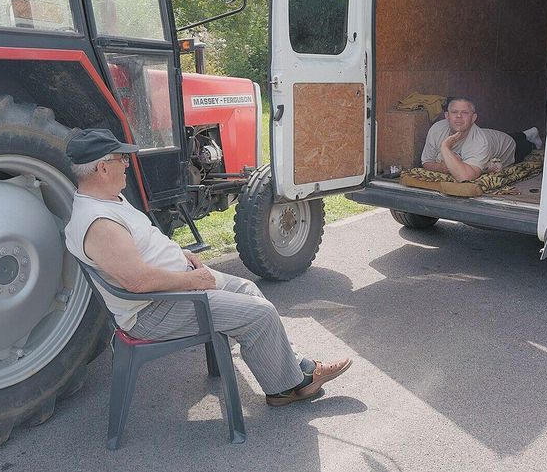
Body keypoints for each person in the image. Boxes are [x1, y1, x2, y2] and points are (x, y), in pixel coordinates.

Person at [63, 129, 352, 406]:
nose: (127, 164)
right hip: (152, 311)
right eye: (121, 159)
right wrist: (193, 281)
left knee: (246, 287)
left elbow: (141, 247)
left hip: (167, 292)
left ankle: (292, 367)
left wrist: (180, 255)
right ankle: (287, 388)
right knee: (260, 314)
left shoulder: (106, 199)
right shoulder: (99, 224)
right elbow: (137, 282)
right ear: (102, 168)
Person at [421, 98, 544, 181]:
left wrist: (445, 147)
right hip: (492, 136)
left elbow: (464, 177)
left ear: (473, 118)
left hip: (507, 146)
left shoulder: (479, 142)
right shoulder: (437, 129)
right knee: (511, 135)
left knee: (523, 146)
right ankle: (526, 133)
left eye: (464, 113)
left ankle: (531, 140)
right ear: (447, 116)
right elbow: (426, 162)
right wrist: (446, 167)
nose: (458, 116)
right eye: (454, 112)